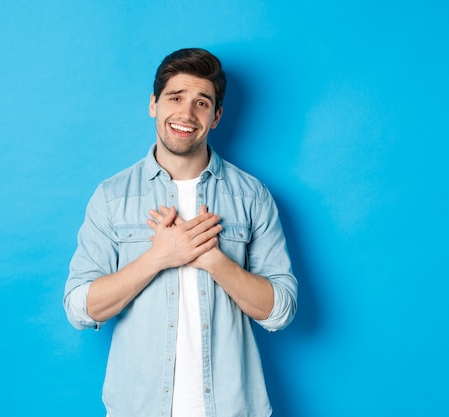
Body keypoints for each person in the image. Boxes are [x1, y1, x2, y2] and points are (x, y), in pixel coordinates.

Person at [63, 47, 298, 417]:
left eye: (202, 103)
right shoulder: (112, 197)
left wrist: (213, 259)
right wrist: (160, 257)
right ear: (154, 104)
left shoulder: (252, 196)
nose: (186, 114)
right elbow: (80, 309)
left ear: (217, 116)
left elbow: (281, 311)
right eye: (175, 98)